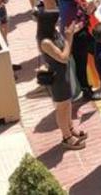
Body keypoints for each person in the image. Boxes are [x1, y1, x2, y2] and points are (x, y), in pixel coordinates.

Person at [36, 10, 87, 150]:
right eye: (56, 21)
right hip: (57, 77)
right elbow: (64, 58)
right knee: (61, 107)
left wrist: (72, 31)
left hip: (65, 73)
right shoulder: (45, 41)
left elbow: (64, 46)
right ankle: (66, 136)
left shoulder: (54, 33)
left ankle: (70, 128)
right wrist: (69, 38)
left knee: (68, 103)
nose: (58, 22)